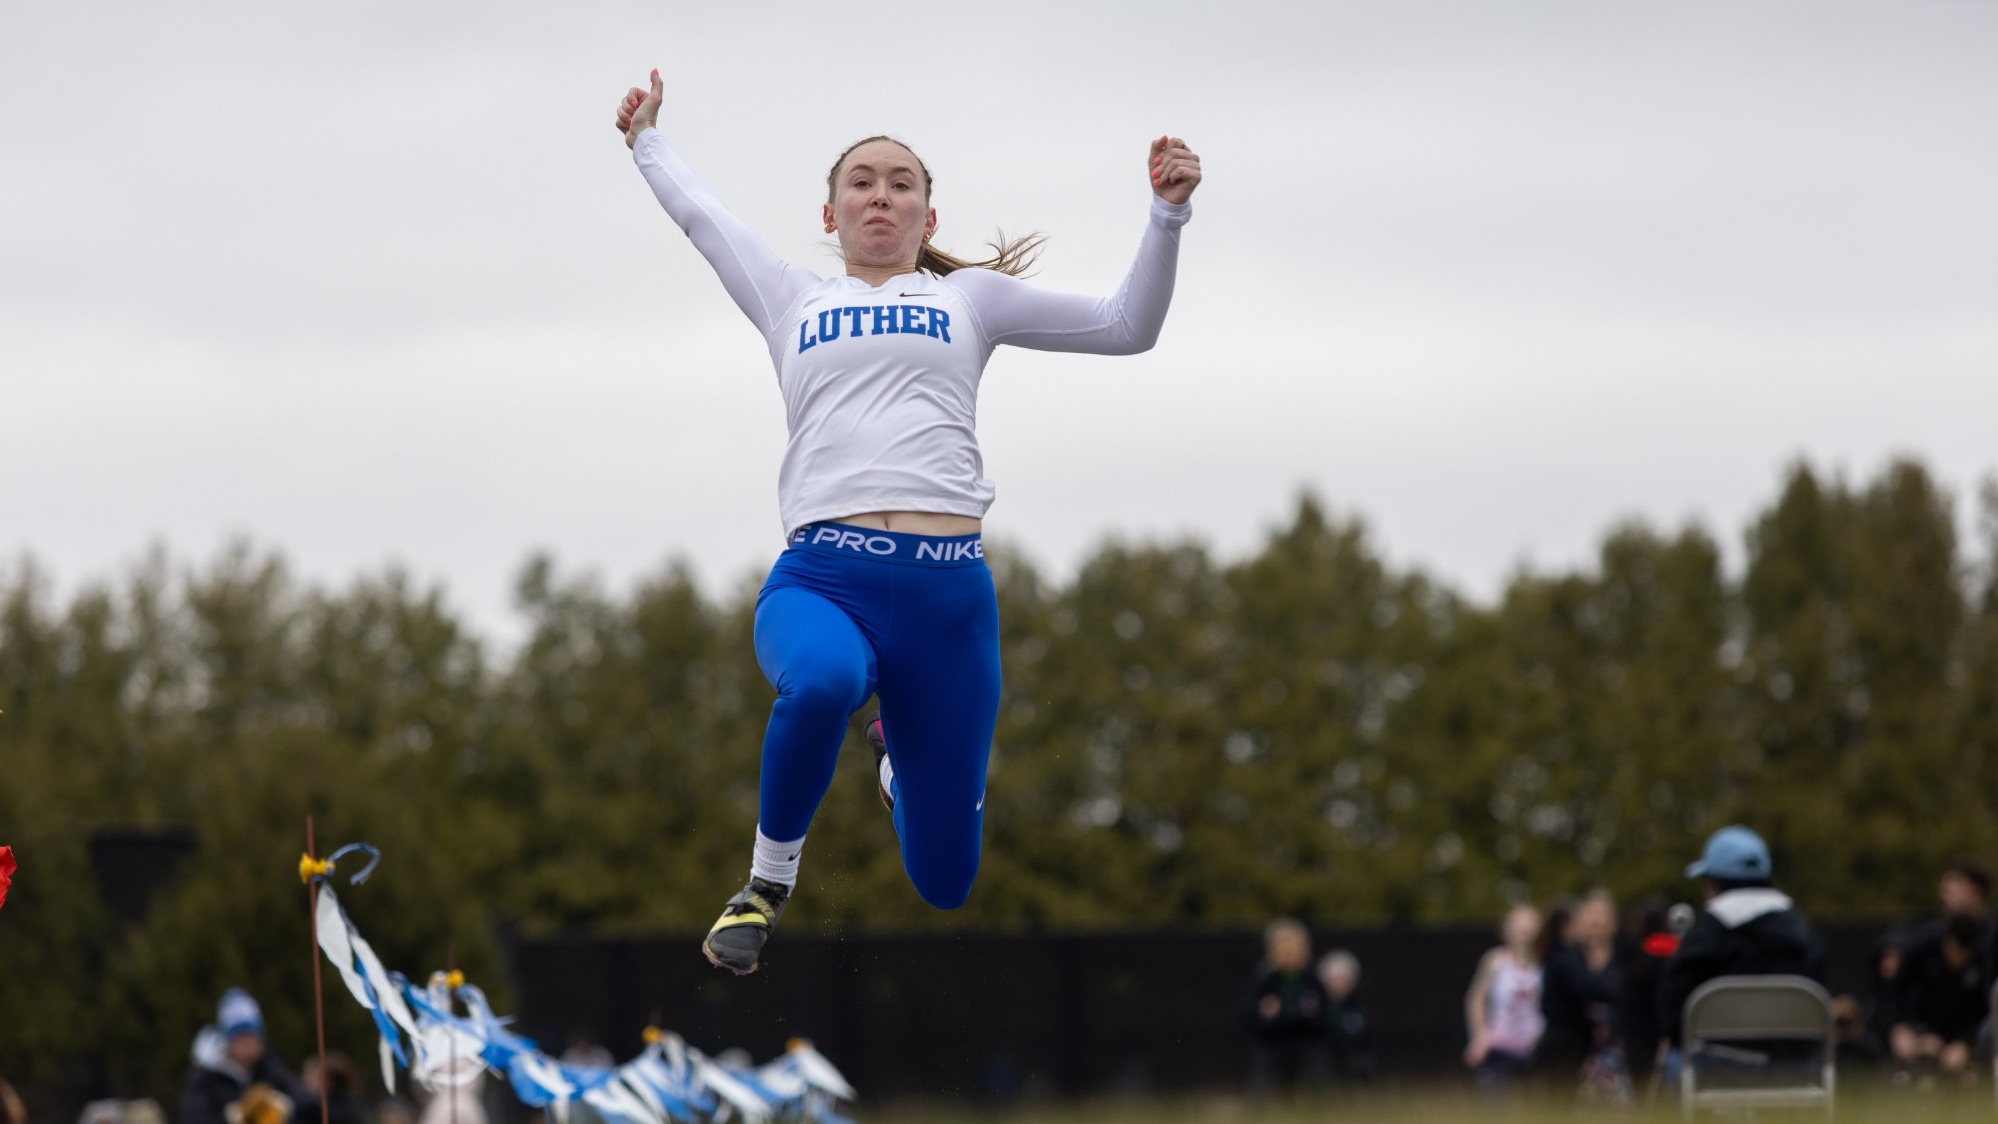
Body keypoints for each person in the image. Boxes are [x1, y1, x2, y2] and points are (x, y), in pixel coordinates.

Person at [612, 70, 1202, 975]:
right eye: (861, 181)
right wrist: (647, 139)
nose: (880, 194)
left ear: (927, 217)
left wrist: (1166, 216)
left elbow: (1129, 327)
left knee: (944, 881)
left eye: (901, 183)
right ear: (830, 213)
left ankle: (894, 763)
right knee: (818, 683)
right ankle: (765, 886)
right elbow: (704, 218)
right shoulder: (789, 298)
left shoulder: (971, 302)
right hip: (823, 580)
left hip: (948, 602)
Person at [1657, 826, 1827, 1080]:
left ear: (1714, 883)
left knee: (1673, 1059)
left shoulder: (1705, 936)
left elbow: (1672, 1018)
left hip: (1717, 1070)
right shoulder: (1805, 935)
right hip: (1795, 1069)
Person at [1539, 890, 1629, 1102]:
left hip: (1617, 1049)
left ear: (1614, 923)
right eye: (1590, 916)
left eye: (1602, 916)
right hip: (1573, 1049)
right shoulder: (1565, 960)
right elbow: (1551, 1007)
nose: (1596, 921)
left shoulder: (1626, 958)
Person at [1889, 910, 1988, 1084]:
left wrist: (1965, 1044)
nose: (1962, 958)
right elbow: (1895, 996)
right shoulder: (1920, 952)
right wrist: (1900, 1028)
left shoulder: (1980, 962)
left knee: (1960, 1070)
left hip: (1958, 1038)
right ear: (1947, 942)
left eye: (1968, 953)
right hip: (1918, 1031)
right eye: (1958, 950)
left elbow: (1980, 1012)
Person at [183, 989, 310, 1124]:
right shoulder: (206, 1078)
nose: (248, 1045)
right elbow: (193, 1118)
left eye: (253, 1037)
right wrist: (230, 1117)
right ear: (228, 1042)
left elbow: (310, 1103)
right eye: (241, 1038)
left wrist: (285, 1105)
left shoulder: (271, 1066)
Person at [1240, 919, 1332, 1096]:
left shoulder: (1313, 978)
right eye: (1283, 949)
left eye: (1293, 949)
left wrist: (1310, 1015)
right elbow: (1249, 1016)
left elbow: (1326, 1013)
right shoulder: (1263, 979)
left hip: (1307, 1042)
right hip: (1274, 1043)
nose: (1288, 955)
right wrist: (1265, 1015)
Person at [1463, 903, 1547, 1088]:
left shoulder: (1544, 963)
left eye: (1528, 926)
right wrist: (1479, 1036)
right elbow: (1476, 999)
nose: (1522, 931)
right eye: (1517, 924)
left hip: (1533, 1048)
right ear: (1506, 930)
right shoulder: (1495, 960)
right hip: (1499, 1047)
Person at [1316, 949, 1379, 1082]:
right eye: (1334, 980)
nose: (1338, 984)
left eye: (1343, 979)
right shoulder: (1318, 1005)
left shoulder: (1357, 1005)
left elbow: (1364, 1033)